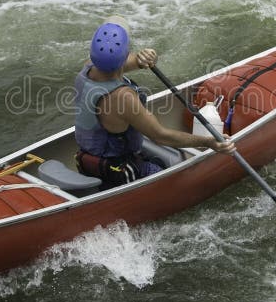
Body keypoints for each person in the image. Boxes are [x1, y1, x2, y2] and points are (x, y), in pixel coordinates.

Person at [74, 17, 236, 188]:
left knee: (160, 157)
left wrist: (147, 56)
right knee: (175, 183)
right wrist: (208, 142)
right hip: (118, 169)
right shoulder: (123, 97)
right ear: (124, 55)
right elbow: (160, 136)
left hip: (90, 159)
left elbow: (134, 60)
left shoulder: (90, 66)